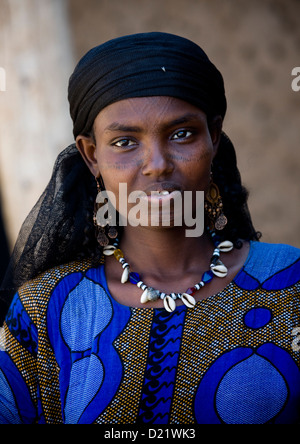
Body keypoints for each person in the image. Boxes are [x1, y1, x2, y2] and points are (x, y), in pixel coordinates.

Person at [0, 32, 299, 425]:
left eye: (181, 134)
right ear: (92, 156)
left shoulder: (291, 284)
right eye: (125, 141)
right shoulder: (45, 311)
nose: (157, 164)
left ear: (214, 136)